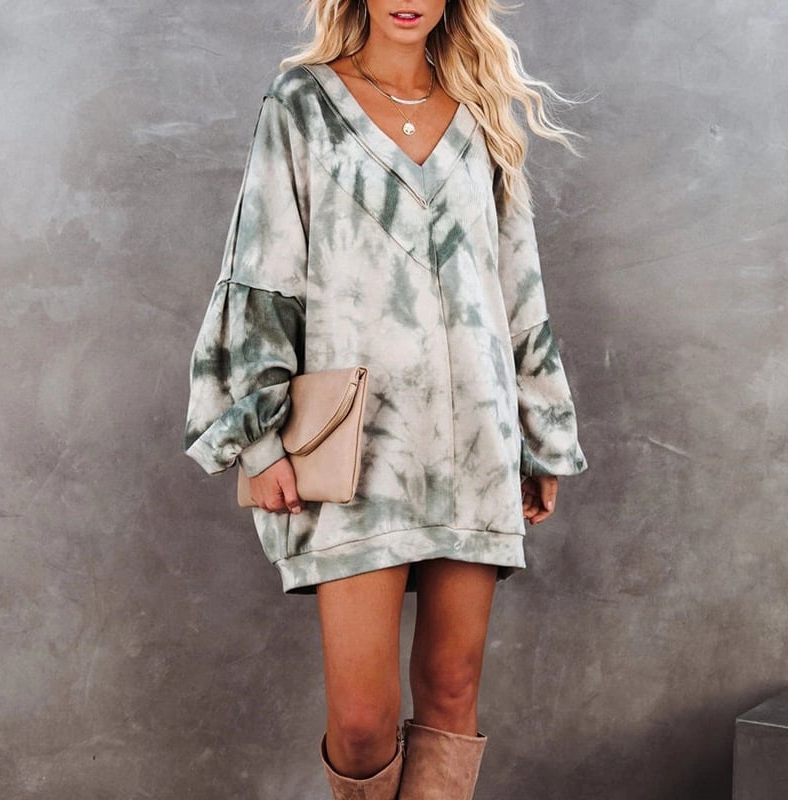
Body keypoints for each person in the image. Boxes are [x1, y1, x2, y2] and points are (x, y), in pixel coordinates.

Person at [183, 0, 588, 796]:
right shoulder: (301, 103)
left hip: (474, 439)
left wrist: (540, 434)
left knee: (450, 691)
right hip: (356, 447)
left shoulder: (479, 110)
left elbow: (517, 287)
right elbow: (261, 275)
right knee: (364, 720)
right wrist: (259, 436)